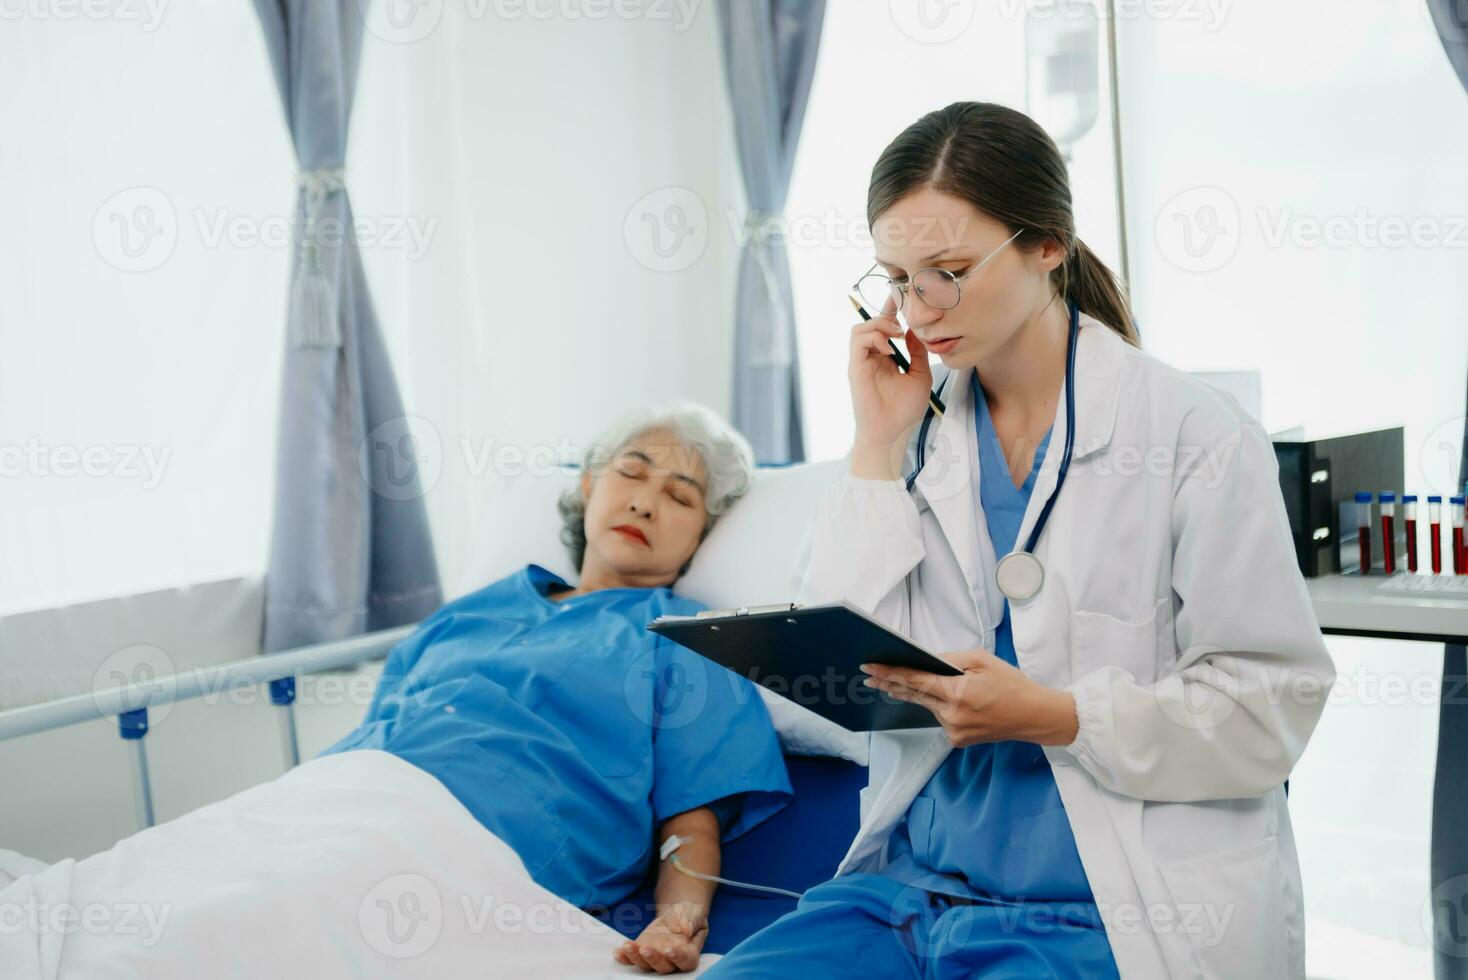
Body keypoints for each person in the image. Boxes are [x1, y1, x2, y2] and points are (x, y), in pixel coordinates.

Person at [704, 102, 1335, 978]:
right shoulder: (916, 434)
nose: (917, 310)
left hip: (1104, 909)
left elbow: (1271, 705)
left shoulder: (1192, 432)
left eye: (949, 272)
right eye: (895, 279)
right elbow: (836, 659)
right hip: (914, 891)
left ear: (1048, 245)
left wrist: (1058, 716)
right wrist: (874, 450)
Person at [319, 402, 792, 975]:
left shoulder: (686, 642)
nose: (645, 502)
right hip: (340, 800)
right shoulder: (467, 612)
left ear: (702, 536)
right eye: (633, 472)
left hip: (470, 845)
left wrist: (679, 918)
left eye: (681, 496)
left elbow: (691, 822)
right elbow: (375, 737)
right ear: (590, 484)